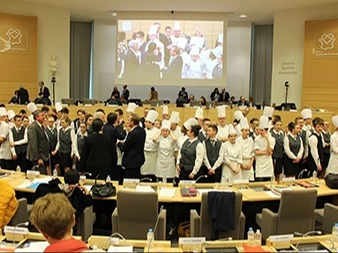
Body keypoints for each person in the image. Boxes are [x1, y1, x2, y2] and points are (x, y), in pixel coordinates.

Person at [117, 113, 146, 179]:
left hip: (131, 160)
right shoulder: (142, 130)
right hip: (138, 159)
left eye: (129, 120)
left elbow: (124, 147)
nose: (127, 122)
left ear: (132, 122)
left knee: (130, 180)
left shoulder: (132, 133)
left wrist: (118, 143)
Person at [26, 109, 49, 174]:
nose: (44, 117)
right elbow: (34, 144)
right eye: (42, 115)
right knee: (40, 175)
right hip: (37, 157)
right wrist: (38, 158)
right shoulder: (33, 127)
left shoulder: (41, 126)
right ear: (37, 117)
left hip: (43, 155)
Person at [254, 115, 275, 181]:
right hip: (260, 163)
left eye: (262, 130)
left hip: (268, 163)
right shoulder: (257, 138)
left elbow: (269, 151)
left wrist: (267, 139)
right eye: (259, 130)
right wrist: (265, 153)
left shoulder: (272, 139)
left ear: (266, 130)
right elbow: (256, 152)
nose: (260, 132)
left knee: (268, 181)